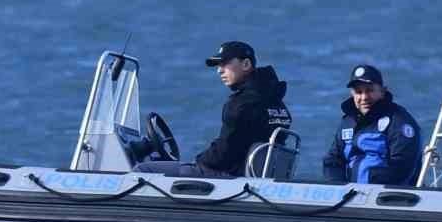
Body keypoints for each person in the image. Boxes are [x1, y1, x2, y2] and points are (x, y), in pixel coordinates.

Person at [136, 41, 293, 178]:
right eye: (218, 65)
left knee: (144, 169)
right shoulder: (277, 103)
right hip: (250, 175)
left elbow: (222, 153)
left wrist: (196, 162)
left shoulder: (241, 104)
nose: (219, 70)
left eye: (225, 64)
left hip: (228, 176)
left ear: (246, 64)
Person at [321, 64, 423, 186]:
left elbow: (403, 165)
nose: (364, 97)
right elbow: (333, 160)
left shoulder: (398, 121)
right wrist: (338, 188)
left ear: (382, 91)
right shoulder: (347, 122)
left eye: (369, 90)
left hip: (386, 197)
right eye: (358, 92)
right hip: (349, 196)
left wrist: (371, 188)